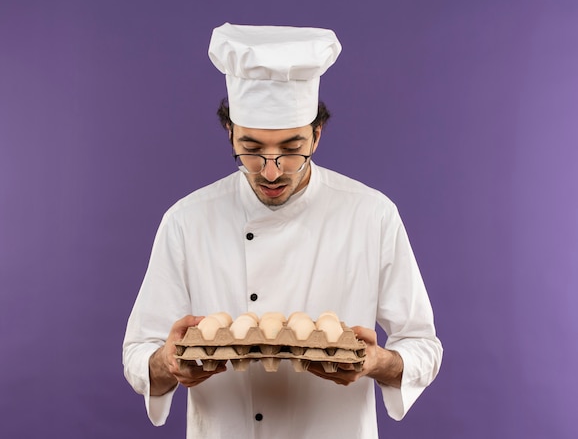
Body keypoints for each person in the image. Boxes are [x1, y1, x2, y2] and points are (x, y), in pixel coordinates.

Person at [123, 22, 442, 438]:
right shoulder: (187, 221)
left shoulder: (372, 215)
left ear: (317, 134)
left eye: (291, 150)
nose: (271, 171)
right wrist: (166, 363)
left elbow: (423, 346)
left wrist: (379, 363)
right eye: (252, 150)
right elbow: (138, 356)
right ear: (230, 132)